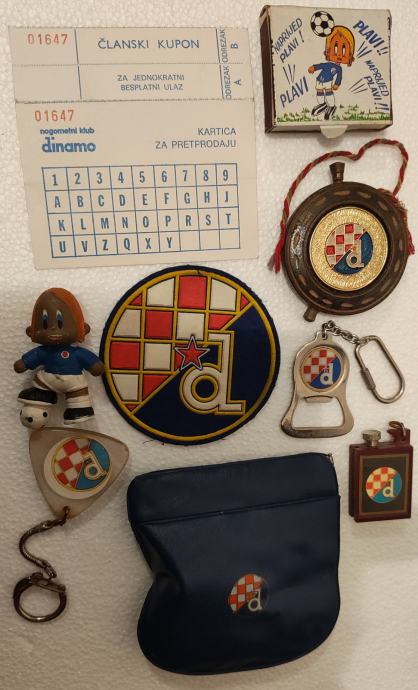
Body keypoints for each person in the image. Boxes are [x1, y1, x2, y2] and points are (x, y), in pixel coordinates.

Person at [14, 288, 104, 428]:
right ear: (31, 331)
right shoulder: (44, 351)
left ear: (83, 328)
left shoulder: (76, 353)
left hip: (74, 383)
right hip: (46, 381)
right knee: (38, 396)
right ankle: (36, 412)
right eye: (45, 324)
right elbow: (33, 358)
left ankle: (79, 411)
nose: (53, 329)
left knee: (79, 398)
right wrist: (23, 363)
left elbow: (92, 363)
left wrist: (94, 365)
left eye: (60, 323)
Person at [308, 26, 355, 120]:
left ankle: (331, 106)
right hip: (319, 80)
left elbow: (339, 77)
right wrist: (314, 67)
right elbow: (321, 65)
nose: (339, 54)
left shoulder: (339, 68)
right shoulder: (328, 64)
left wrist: (337, 84)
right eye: (336, 48)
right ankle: (322, 104)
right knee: (319, 92)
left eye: (344, 50)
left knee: (329, 92)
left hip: (328, 82)